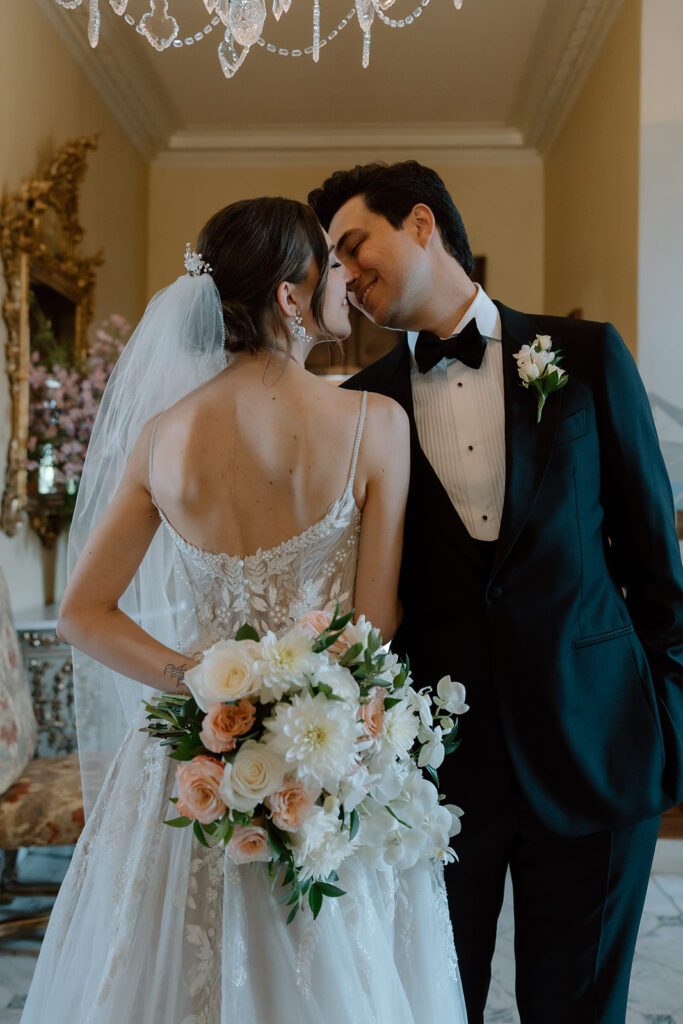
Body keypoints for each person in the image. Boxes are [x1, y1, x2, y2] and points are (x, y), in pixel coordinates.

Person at [20, 197, 467, 1023]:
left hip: (193, 764)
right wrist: (296, 701)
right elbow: (373, 625)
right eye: (328, 267)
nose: (345, 280)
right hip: (327, 752)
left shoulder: (163, 436)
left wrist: (213, 688)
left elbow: (84, 615)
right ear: (290, 299)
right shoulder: (376, 424)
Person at [308, 161, 683, 1024]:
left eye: (351, 246)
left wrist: (665, 733)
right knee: (436, 1006)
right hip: (433, 786)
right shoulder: (359, 409)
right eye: (330, 266)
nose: (343, 277)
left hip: (599, 753)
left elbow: (659, 575)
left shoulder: (586, 357)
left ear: (420, 223)